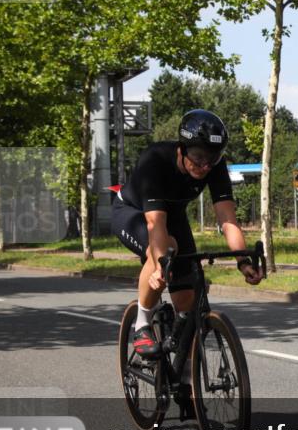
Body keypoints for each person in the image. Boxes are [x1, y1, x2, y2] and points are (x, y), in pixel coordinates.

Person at [112, 109, 262, 361]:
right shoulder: (155, 160)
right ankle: (142, 324)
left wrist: (242, 261)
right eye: (198, 156)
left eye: (212, 158)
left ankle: (184, 376)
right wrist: (161, 266)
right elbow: (155, 223)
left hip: (174, 215)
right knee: (165, 250)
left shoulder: (214, 166)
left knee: (187, 299)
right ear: (181, 149)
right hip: (133, 212)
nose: (204, 165)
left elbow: (227, 219)